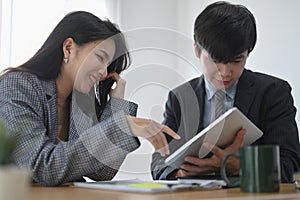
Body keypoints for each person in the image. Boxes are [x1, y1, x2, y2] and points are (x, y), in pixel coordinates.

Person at [0, 11, 180, 186]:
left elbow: (102, 172)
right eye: (100, 57)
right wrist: (120, 125)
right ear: (68, 48)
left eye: (108, 65)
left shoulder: (79, 104)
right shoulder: (18, 85)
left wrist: (117, 106)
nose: (103, 73)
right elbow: (43, 166)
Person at [151, 1, 300, 183]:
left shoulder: (273, 93)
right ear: (197, 50)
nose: (225, 72)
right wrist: (183, 173)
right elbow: (159, 162)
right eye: (215, 60)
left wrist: (237, 165)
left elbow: (291, 164)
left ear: (248, 53)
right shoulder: (180, 97)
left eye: (237, 61)